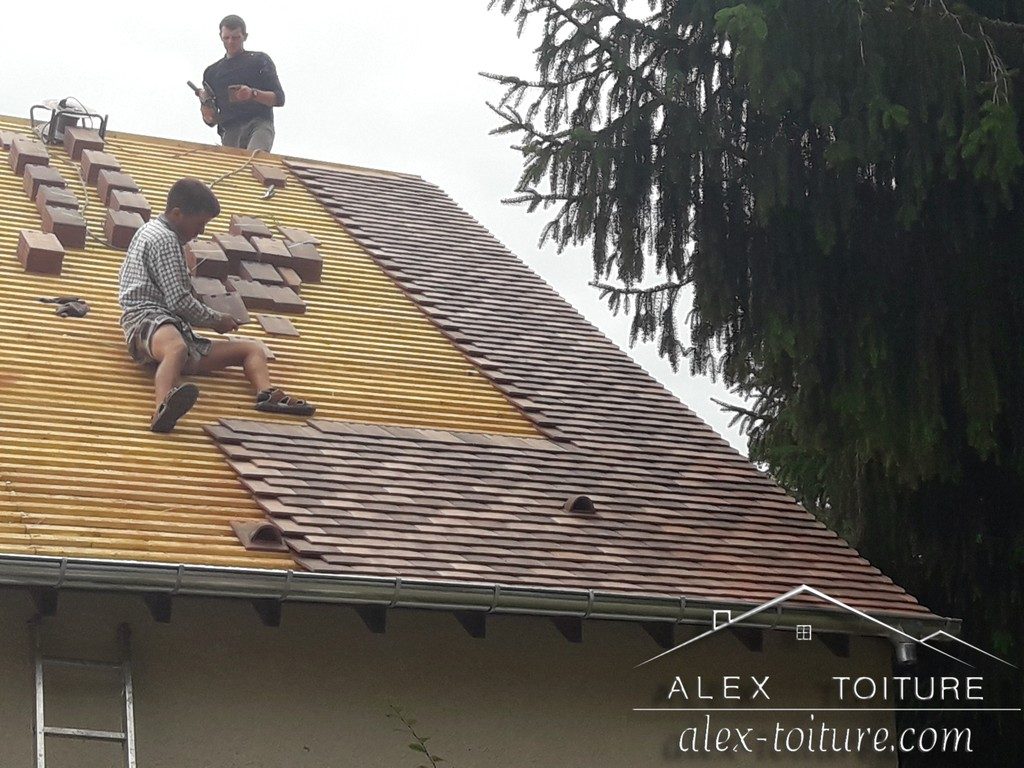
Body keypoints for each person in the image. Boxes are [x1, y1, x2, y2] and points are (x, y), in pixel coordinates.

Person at [118, 178, 315, 433]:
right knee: (176, 348)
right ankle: (162, 408)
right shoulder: (164, 239)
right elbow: (178, 301)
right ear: (177, 214)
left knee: (251, 349)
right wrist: (216, 320)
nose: (201, 231)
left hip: (177, 329)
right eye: (200, 223)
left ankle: (266, 394)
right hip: (147, 320)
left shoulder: (152, 232)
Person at [197, 14, 285, 151]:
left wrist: (252, 94)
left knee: (255, 159)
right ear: (220, 37)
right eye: (226, 38)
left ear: (245, 36)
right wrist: (205, 104)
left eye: (235, 37)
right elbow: (211, 119)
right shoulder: (212, 73)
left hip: (258, 124)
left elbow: (279, 98)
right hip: (230, 130)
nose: (230, 42)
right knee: (234, 164)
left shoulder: (259, 60)